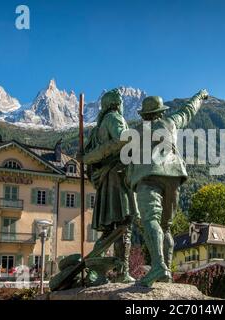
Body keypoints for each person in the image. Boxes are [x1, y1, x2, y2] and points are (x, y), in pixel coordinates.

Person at [126, 89, 209, 287]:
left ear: (144, 115)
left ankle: (158, 266)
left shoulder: (135, 133)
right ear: (161, 112)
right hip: (173, 176)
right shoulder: (170, 122)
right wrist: (200, 96)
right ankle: (166, 273)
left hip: (148, 178)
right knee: (166, 227)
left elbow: (119, 156)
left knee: (150, 220)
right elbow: (188, 110)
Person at [83, 88, 139, 283]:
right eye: (121, 101)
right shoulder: (114, 118)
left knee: (109, 229)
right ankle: (122, 273)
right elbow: (123, 138)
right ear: (115, 103)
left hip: (108, 178)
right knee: (125, 225)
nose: (123, 104)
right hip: (118, 177)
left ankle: (96, 271)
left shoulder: (100, 125)